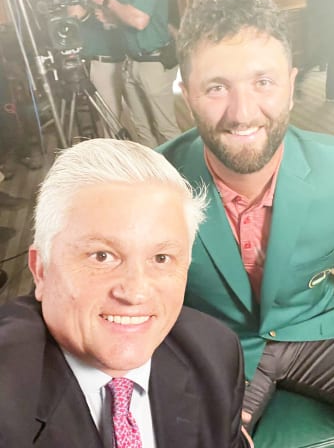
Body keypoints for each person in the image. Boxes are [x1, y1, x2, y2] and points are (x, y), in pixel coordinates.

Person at [158, 0, 334, 445]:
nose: (242, 113)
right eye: (217, 87)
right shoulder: (153, 183)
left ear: (291, 86)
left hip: (322, 327)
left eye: (263, 82)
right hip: (215, 348)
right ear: (187, 93)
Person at [0, 138, 250, 447]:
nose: (135, 292)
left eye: (161, 258)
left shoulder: (215, 352)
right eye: (102, 256)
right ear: (41, 270)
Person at [87, 0, 181, 147]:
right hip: (130, 61)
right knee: (142, 129)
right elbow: (117, 11)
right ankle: (155, 173)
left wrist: (106, 0)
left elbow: (139, 20)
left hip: (152, 62)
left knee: (166, 129)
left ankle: (183, 173)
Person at [63, 0, 126, 137]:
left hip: (132, 58)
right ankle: (114, 163)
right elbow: (74, 14)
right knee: (112, 125)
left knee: (142, 121)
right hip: (102, 60)